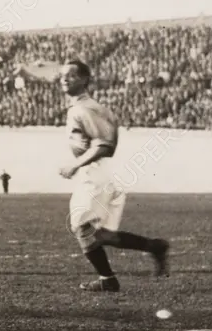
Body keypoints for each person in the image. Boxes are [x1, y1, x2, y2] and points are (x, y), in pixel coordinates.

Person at [58, 60, 169, 292]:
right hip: (102, 171)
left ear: (85, 79)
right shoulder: (89, 107)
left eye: (71, 75)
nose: (64, 79)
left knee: (81, 226)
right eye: (62, 76)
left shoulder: (84, 109)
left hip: (96, 172)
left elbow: (105, 145)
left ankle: (108, 279)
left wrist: (75, 165)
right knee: (99, 235)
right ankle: (154, 246)